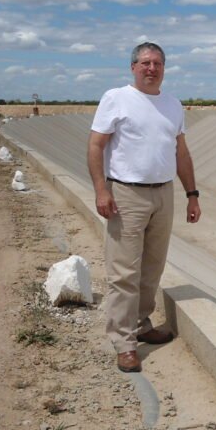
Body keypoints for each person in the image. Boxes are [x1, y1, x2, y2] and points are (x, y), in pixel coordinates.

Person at [86, 42, 201, 372]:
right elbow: (95, 145)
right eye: (146, 63)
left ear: (164, 68)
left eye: (157, 63)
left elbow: (181, 152)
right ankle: (124, 342)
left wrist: (192, 194)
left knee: (152, 266)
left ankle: (141, 324)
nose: (152, 68)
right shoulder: (116, 98)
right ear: (133, 67)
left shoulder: (172, 104)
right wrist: (101, 190)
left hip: (163, 194)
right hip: (126, 194)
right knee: (124, 271)